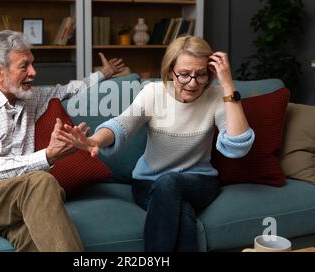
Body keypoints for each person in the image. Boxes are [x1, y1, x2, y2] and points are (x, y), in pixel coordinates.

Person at [0, 30, 125, 252]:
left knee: (35, 235)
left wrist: (104, 73)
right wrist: (48, 155)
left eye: (33, 64)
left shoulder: (29, 97)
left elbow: (66, 90)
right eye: (24, 66)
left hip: (7, 196)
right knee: (40, 182)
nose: (33, 72)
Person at [56, 35, 255, 252]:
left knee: (170, 183)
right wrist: (94, 140)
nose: (193, 83)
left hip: (199, 182)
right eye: (184, 74)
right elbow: (122, 124)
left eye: (201, 75)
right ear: (170, 71)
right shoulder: (153, 93)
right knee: (183, 215)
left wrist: (227, 83)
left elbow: (238, 145)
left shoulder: (217, 96)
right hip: (148, 183)